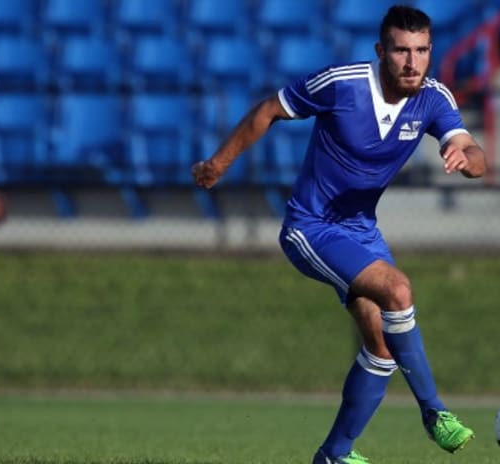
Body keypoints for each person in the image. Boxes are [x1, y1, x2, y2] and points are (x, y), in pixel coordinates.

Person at [192, 5, 485, 463]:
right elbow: (270, 109)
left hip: (361, 231)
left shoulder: (434, 98)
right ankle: (435, 412)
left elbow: (469, 147)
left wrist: (469, 161)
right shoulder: (342, 83)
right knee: (398, 289)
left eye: (422, 50)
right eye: (402, 50)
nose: (412, 62)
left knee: (382, 345)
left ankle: (334, 454)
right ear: (380, 51)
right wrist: (218, 164)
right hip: (310, 227)